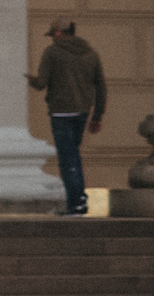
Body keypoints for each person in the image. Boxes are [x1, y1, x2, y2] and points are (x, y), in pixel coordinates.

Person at [28, 19, 107, 217]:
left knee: (68, 158)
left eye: (53, 33)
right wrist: (97, 115)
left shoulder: (52, 52)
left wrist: (31, 80)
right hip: (82, 112)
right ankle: (78, 201)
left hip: (61, 112)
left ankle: (77, 203)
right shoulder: (91, 53)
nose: (52, 37)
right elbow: (101, 86)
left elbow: (42, 83)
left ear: (60, 32)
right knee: (74, 155)